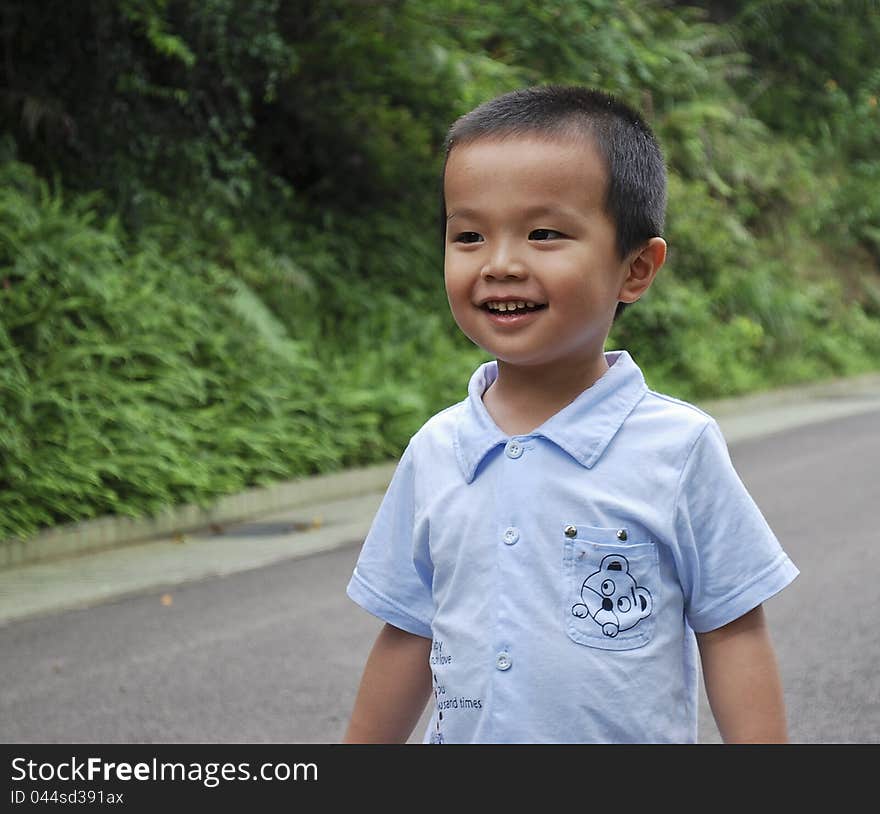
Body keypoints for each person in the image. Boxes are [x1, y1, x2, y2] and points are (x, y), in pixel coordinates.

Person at [342, 85, 799, 744]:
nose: (500, 264)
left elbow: (731, 631)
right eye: (468, 235)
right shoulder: (438, 450)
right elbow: (409, 632)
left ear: (636, 269)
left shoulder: (677, 448)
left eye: (544, 233)